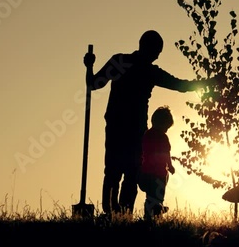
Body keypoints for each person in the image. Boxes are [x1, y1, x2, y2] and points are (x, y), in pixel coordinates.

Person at [83, 30, 222, 215]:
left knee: (117, 171)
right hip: (130, 127)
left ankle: (116, 215)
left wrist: (89, 66)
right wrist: (210, 82)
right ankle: (121, 215)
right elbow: (181, 86)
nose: (157, 56)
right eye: (157, 52)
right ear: (150, 48)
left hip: (121, 125)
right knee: (126, 172)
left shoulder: (120, 61)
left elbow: (93, 83)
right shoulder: (146, 70)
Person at [138, 106, 175, 220]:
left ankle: (149, 213)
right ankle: (157, 211)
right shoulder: (163, 137)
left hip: (145, 172)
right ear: (163, 124)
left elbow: (142, 151)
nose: (166, 130)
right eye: (166, 127)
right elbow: (166, 153)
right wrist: (170, 165)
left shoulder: (147, 134)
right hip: (158, 173)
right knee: (158, 194)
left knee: (150, 196)